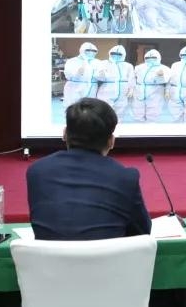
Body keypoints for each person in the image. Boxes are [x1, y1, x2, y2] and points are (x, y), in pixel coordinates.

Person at [26, 97, 152, 240]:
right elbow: (142, 233)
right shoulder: (125, 178)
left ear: (64, 134)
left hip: (46, 255)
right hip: (107, 254)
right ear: (111, 141)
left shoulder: (37, 171)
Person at [96, 44, 135, 119]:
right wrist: (101, 74)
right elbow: (98, 76)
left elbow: (131, 78)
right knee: (104, 111)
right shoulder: (104, 63)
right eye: (113, 53)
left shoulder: (128, 66)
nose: (116, 55)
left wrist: (131, 89)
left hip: (122, 92)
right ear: (110, 53)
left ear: (123, 55)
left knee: (120, 111)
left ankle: (118, 124)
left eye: (119, 54)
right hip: (107, 90)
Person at [133, 49, 170, 122]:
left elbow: (168, 81)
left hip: (155, 93)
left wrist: (167, 91)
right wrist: (132, 89)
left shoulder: (165, 68)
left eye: (153, 57)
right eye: (148, 58)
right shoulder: (139, 67)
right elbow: (133, 78)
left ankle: (151, 128)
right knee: (138, 114)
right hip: (140, 92)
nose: (150, 59)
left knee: (153, 115)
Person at [62, 41, 99, 108]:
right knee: (73, 106)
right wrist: (81, 69)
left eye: (93, 51)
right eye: (88, 50)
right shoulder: (72, 61)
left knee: (90, 108)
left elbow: (101, 76)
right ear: (82, 50)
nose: (91, 52)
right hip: (75, 88)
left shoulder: (97, 62)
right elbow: (69, 74)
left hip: (92, 89)